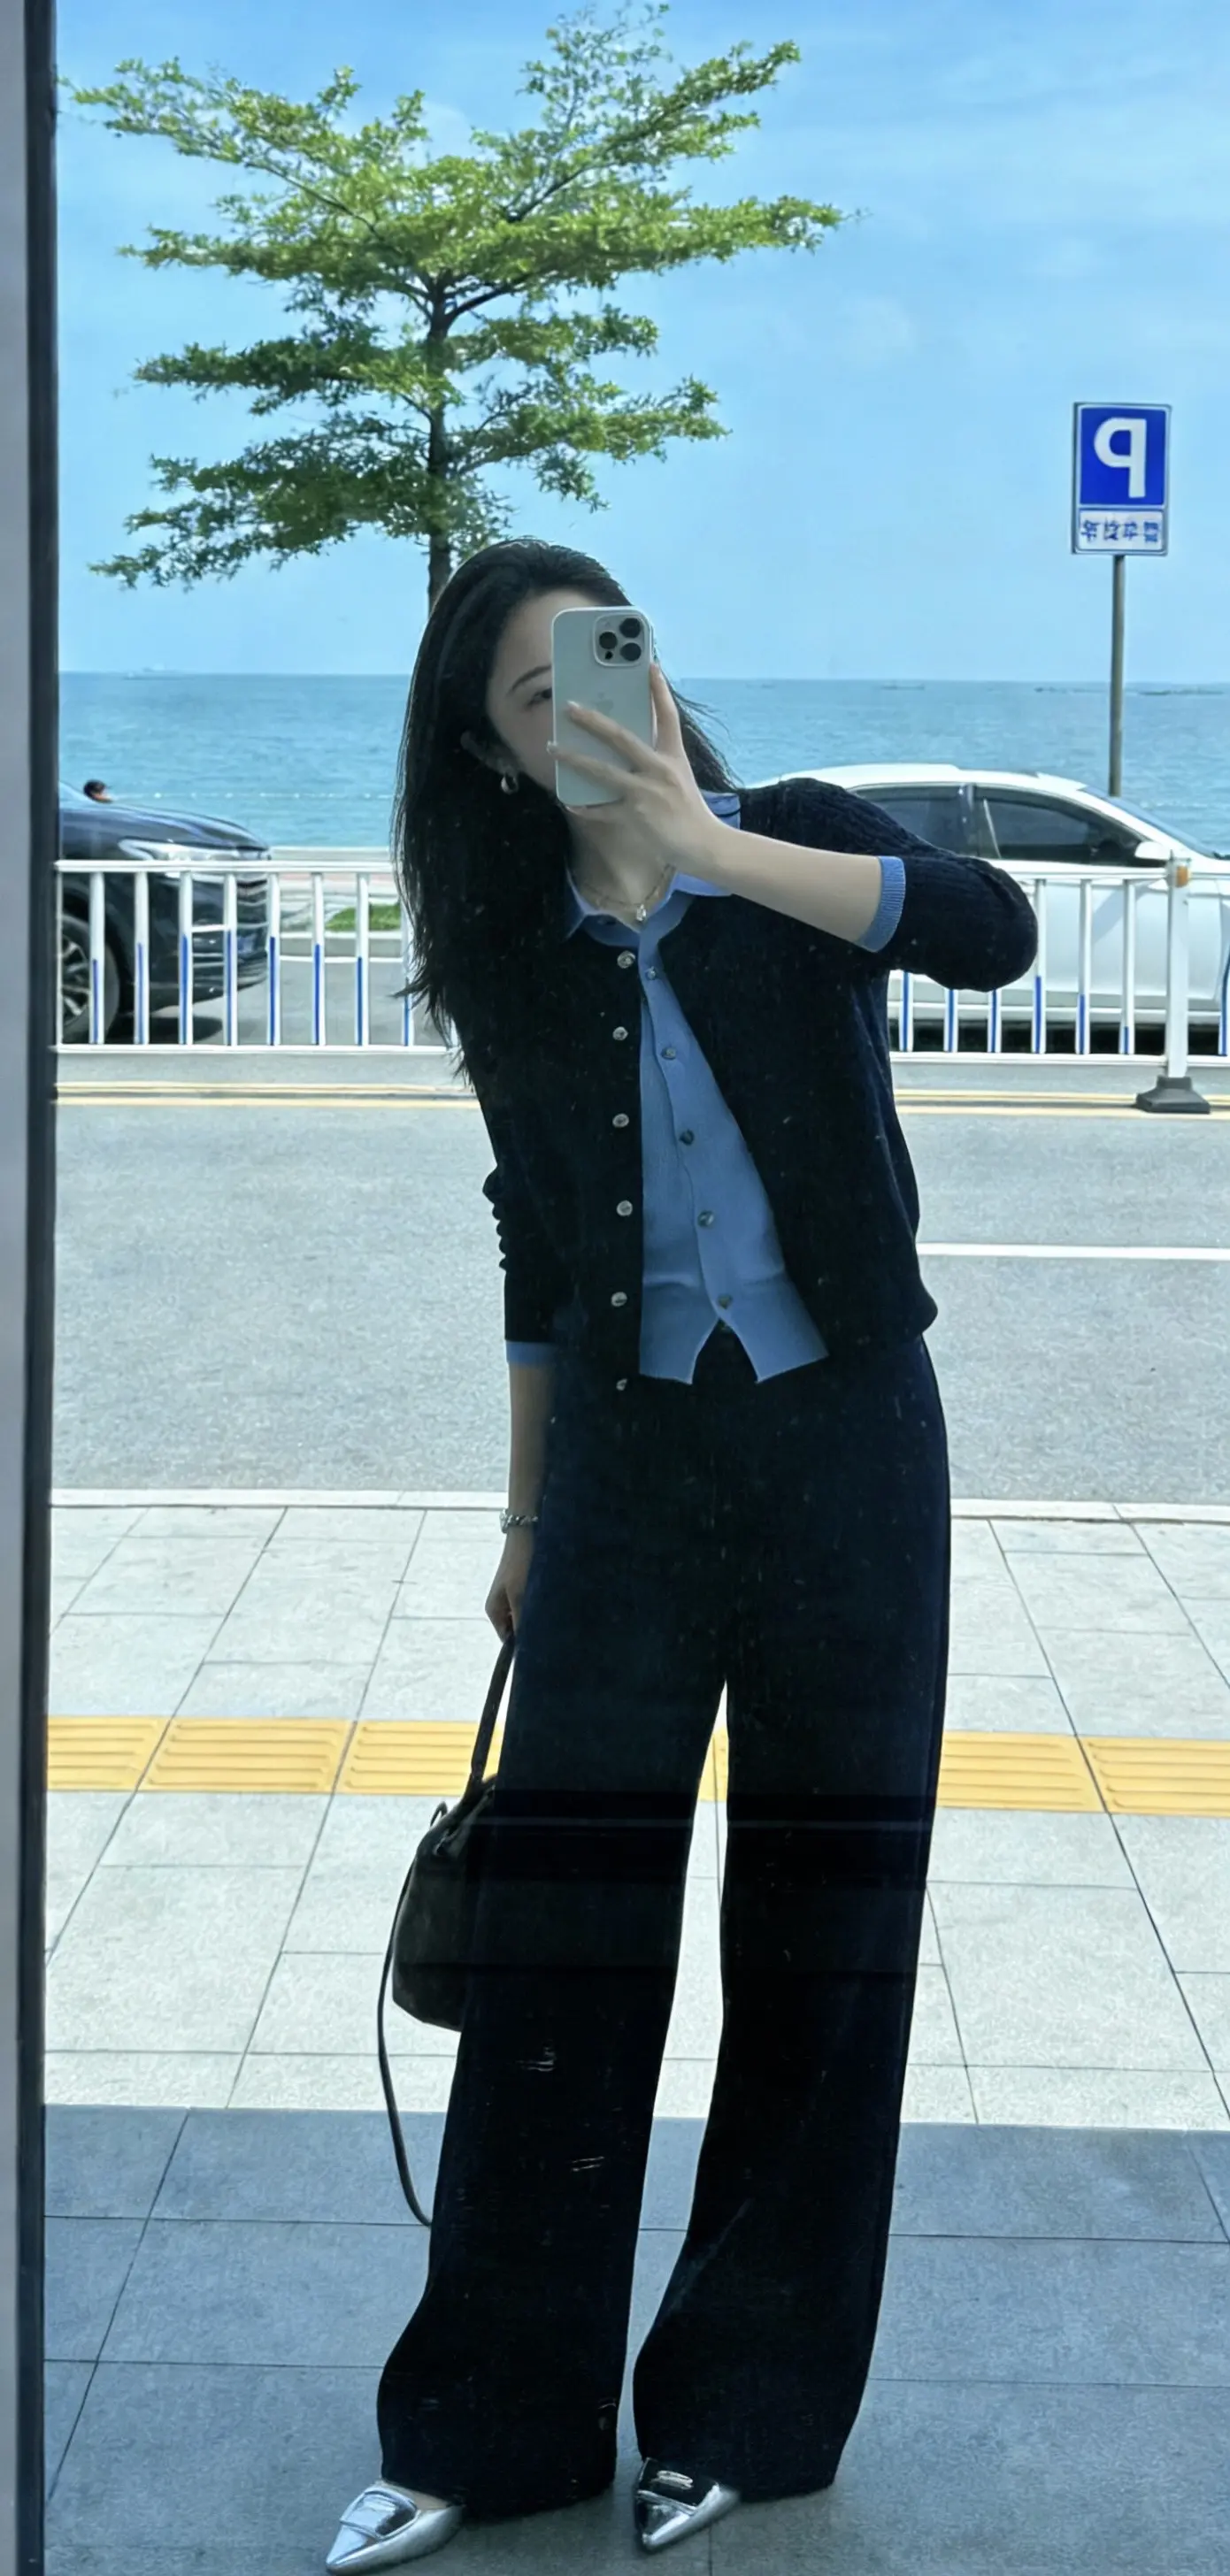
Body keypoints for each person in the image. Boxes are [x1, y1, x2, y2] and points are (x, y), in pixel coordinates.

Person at [326, 540, 1038, 2571]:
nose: (592, 710)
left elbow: (984, 931)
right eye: (536, 695)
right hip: (628, 1486)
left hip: (847, 1459)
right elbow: (536, 1251)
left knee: (824, 1938)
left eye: (607, 660)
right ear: (488, 752)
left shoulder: (787, 844)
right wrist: (521, 1518)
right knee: (560, 1942)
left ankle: (743, 2407)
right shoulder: (508, 955)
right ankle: (490, 2423)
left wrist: (707, 851)